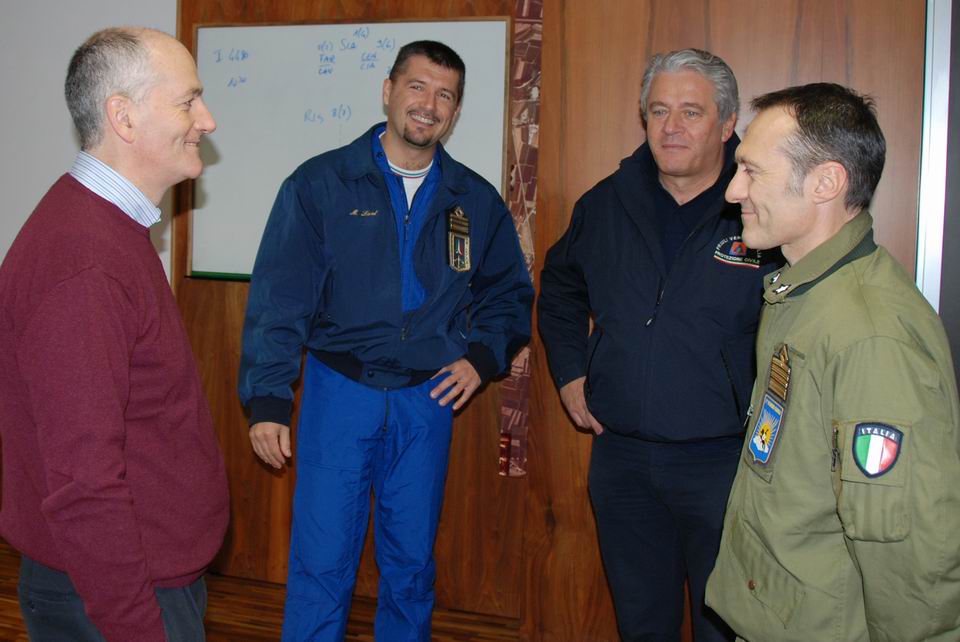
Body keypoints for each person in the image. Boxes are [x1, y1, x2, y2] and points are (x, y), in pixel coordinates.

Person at [238, 40, 533, 641]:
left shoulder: (473, 200)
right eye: (417, 87)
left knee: (411, 566)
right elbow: (279, 298)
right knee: (322, 562)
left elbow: (510, 294)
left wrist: (481, 359)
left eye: (445, 95)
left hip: (427, 399)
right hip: (338, 393)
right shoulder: (320, 184)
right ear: (388, 91)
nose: (429, 104)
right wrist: (268, 399)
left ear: (455, 110)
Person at [705, 83, 960, 640]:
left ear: (826, 182)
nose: (733, 190)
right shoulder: (803, 294)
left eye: (752, 171)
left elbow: (907, 559)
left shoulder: (869, 336)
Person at [0, 27, 228, 642]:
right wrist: (137, 627)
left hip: (132, 581)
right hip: (114, 599)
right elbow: (84, 483)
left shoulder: (104, 230)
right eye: (187, 101)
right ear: (123, 118)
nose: (206, 120)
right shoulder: (85, 263)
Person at [538, 49, 773, 641]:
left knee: (726, 627)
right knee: (642, 625)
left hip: (725, 463)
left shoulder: (761, 210)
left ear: (727, 123)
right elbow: (560, 288)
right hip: (623, 461)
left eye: (692, 112)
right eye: (659, 110)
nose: (672, 127)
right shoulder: (605, 203)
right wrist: (570, 371)